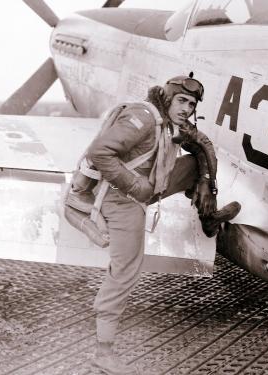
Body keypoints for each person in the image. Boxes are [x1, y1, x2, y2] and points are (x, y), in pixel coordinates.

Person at [85, 75, 240, 374]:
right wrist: (136, 188)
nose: (186, 108)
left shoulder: (170, 123)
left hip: (146, 186)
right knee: (126, 271)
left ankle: (209, 218)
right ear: (167, 98)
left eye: (191, 104)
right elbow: (99, 152)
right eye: (182, 101)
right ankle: (103, 352)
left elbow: (203, 145)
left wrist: (209, 185)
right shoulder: (143, 118)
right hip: (120, 198)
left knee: (198, 161)